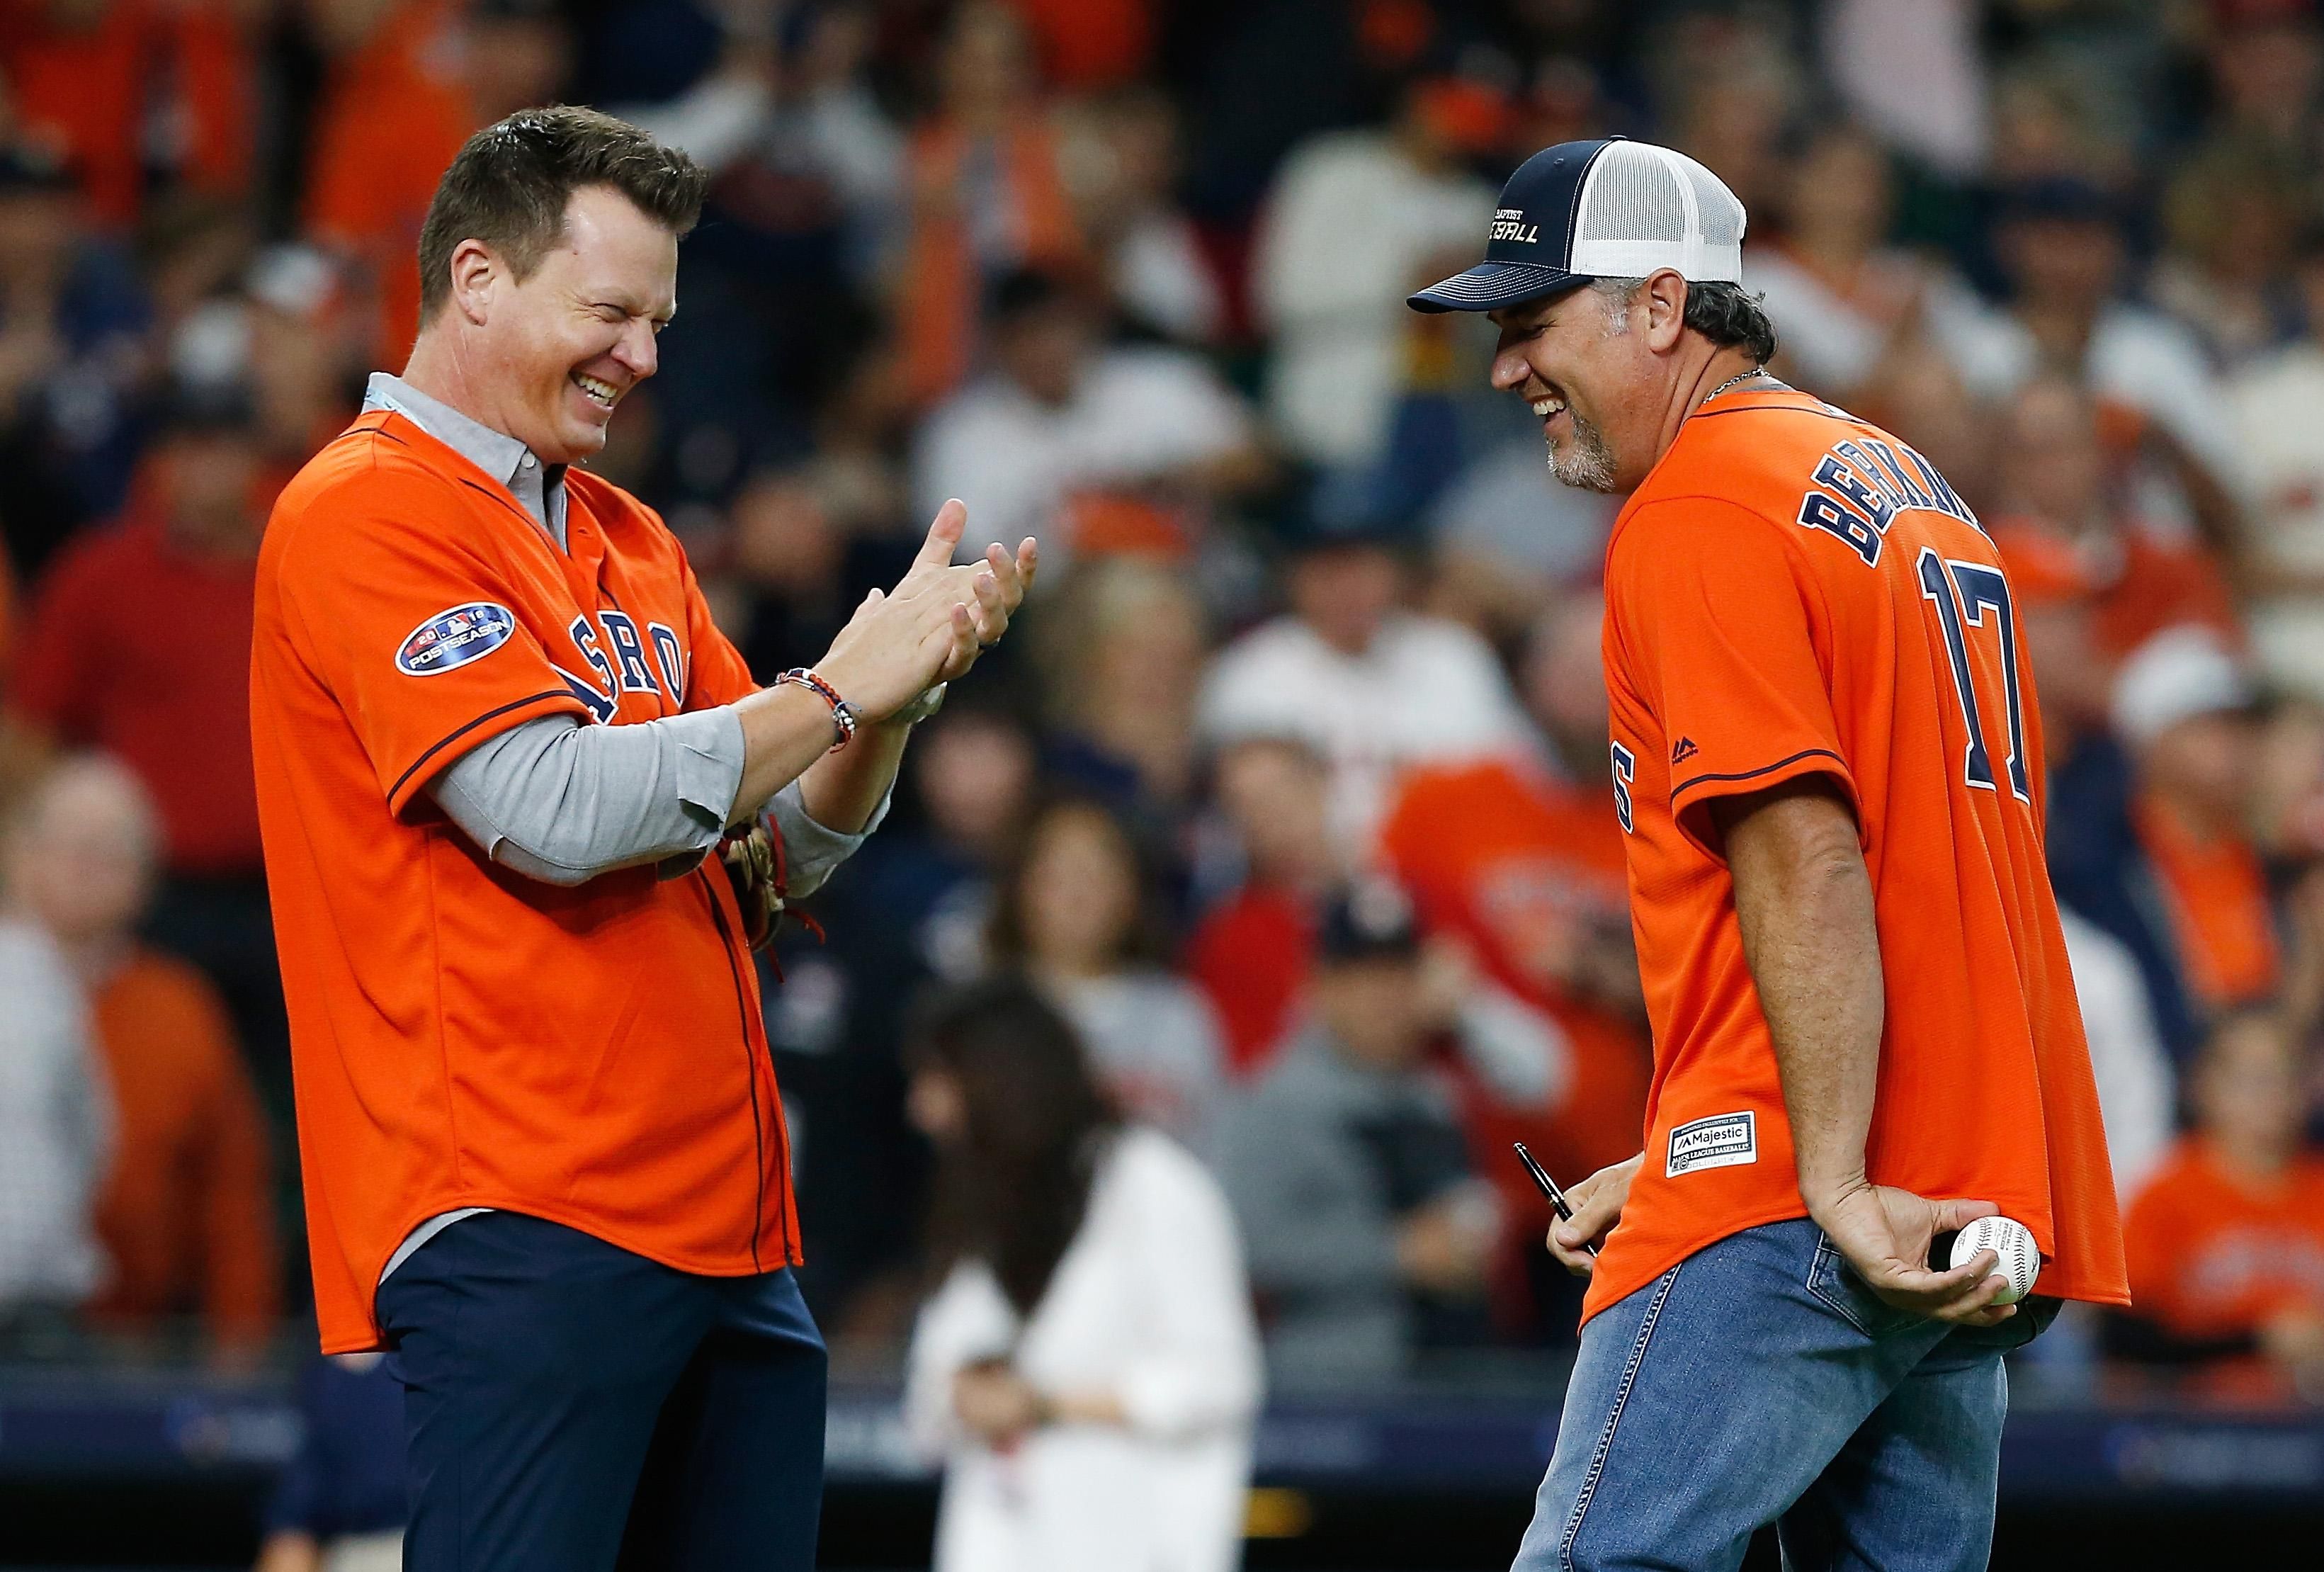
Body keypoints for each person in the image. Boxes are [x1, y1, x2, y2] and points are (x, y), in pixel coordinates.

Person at [248, 107, 1034, 1571]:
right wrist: (828, 689)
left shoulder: (629, 538)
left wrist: (891, 709)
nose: (645, 356)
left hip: (729, 1236)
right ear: (476, 279)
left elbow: (776, 851)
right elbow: (546, 810)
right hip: (529, 1211)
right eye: (610, 310)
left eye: (660, 319)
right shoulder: (366, 511)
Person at [1407, 137, 2126, 1568]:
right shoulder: (1897, 479)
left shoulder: (1697, 503)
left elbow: (1803, 857)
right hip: (1963, 1166)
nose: (1504, 368)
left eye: (1530, 323)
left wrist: (1820, 1164)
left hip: (1811, 1180)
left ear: (1658, 306)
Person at [902, 978, 1261, 1572]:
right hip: (998, 1542)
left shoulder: (1153, 1185)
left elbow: (1221, 1379)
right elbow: (927, 1404)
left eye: (936, 1081)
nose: (920, 1109)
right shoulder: (976, 1209)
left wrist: (1046, 1403)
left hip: (1135, 1542)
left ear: (1000, 1079)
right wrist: (966, 1394)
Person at [9, 754, 279, 1361]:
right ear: (22, 856)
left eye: (112, 851)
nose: (87, 867)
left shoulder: (180, 1010)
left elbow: (233, 1194)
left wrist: (241, 1349)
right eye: (70, 845)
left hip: (140, 1344)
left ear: (147, 877)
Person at [1215, 882, 1502, 1384]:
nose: (1383, 997)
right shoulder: (1270, 1101)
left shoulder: (1437, 1097)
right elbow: (1244, 1246)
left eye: (1397, 975)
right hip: (1322, 1389)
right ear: (1318, 987)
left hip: (1451, 1382)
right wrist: (1397, 1253)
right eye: (1362, 977)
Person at [1196, 514, 1531, 842]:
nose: (1348, 588)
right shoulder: (1250, 672)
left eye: (1364, 568)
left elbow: (1519, 777)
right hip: (1324, 882)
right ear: (1295, 580)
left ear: (1395, 573)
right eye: (1329, 572)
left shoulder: (1453, 654)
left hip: (1457, 865)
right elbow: (1254, 821)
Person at [988, 795, 1227, 1151]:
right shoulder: (986, 1014)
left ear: (1131, 893)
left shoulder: (1180, 1013)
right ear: (1020, 889)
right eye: (1059, 875)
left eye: (1097, 874)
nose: (1078, 895)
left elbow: (1214, 1146)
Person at [2112, 1009, 2324, 1402]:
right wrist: (2253, 1340)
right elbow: (2125, 1340)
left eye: (2287, 1075)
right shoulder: (2166, 1195)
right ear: (2205, 1084)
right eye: (2253, 1080)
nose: (2273, 1095)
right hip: (2192, 1423)